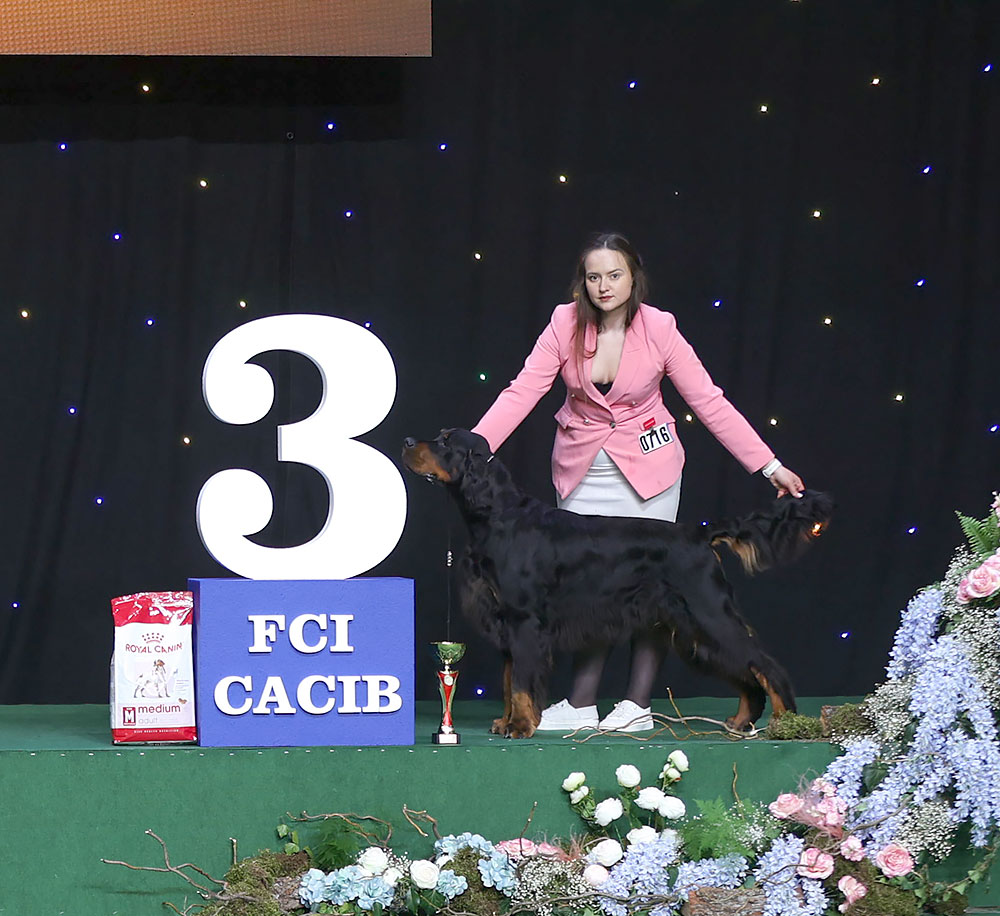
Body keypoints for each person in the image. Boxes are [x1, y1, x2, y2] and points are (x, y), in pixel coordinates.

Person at [471, 232, 805, 732]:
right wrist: (474, 450)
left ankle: (637, 705)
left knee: (655, 587)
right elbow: (522, 391)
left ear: (633, 277)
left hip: (651, 471)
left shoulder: (660, 328)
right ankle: (582, 703)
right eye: (593, 276)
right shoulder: (564, 323)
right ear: (582, 282)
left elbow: (708, 401)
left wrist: (769, 465)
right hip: (583, 468)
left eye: (614, 275)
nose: (603, 286)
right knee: (588, 587)